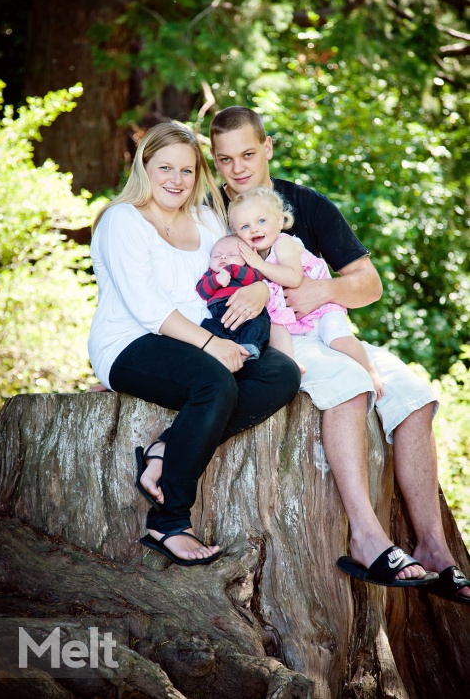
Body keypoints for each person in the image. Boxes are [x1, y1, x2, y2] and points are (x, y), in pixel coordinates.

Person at [208, 105, 470, 600]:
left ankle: (435, 549)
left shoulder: (305, 205)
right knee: (349, 386)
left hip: (321, 324)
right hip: (268, 339)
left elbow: (368, 285)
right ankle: (368, 537)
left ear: (267, 148)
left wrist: (323, 290)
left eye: (247, 153)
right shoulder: (207, 211)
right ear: (215, 162)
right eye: (224, 160)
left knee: (414, 395)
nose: (238, 168)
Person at [88, 121, 301, 567]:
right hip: (130, 343)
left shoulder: (205, 220)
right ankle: (167, 522)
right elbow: (146, 307)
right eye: (164, 167)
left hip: (201, 339)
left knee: (281, 373)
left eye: (186, 171)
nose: (176, 180)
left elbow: (243, 265)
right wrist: (212, 346)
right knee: (215, 384)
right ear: (144, 167)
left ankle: (166, 446)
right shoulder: (121, 220)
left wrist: (260, 290)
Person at [228, 185, 383, 395]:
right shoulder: (257, 255)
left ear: (280, 220)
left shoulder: (283, 244)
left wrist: (258, 264)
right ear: (236, 233)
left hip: (323, 308)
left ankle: (370, 370)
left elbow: (293, 277)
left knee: (337, 338)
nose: (254, 229)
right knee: (275, 328)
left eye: (261, 221)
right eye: (244, 227)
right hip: (296, 317)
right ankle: (290, 366)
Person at [196, 234, 271, 359]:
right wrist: (216, 279)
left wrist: (232, 269)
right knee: (207, 326)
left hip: (249, 311)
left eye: (233, 255)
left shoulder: (246, 270)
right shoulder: (211, 273)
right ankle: (228, 348)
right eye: (217, 256)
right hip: (221, 310)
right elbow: (202, 291)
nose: (223, 257)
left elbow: (256, 278)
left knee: (260, 324)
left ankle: (248, 349)